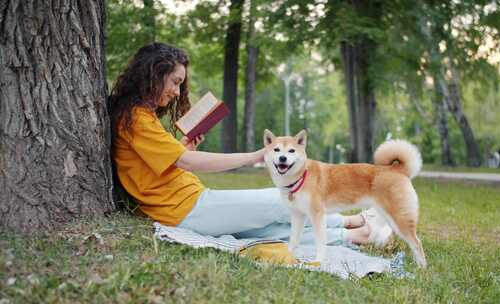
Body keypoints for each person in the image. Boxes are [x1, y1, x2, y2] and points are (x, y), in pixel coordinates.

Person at [108, 42, 375, 247]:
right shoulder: (135, 118)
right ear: (154, 74)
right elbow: (185, 163)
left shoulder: (142, 116)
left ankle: (353, 234)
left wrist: (185, 148)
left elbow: (170, 166)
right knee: (284, 198)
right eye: (175, 82)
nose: (177, 92)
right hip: (185, 209)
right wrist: (255, 156)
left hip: (189, 203)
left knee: (267, 231)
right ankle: (351, 221)